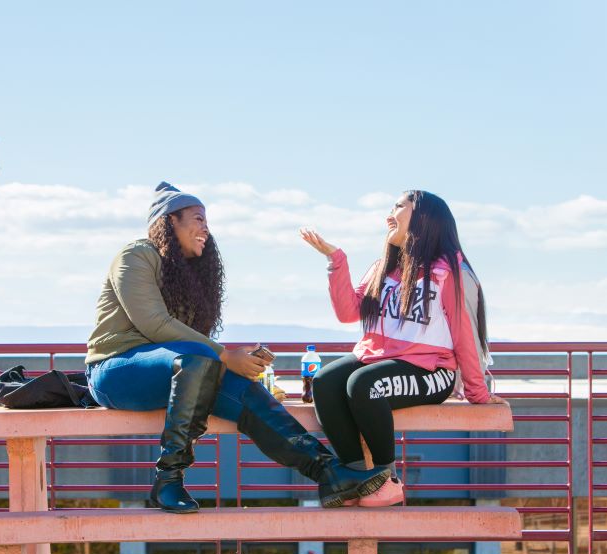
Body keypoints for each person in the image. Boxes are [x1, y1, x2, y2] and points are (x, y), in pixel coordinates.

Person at [84, 182, 389, 513]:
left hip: (179, 371)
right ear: (171, 221)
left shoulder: (186, 273)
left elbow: (191, 351)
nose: (205, 229)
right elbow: (154, 324)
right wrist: (226, 356)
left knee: (245, 391)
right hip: (114, 371)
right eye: (197, 218)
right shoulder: (136, 255)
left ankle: (328, 472)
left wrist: (238, 361)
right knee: (203, 359)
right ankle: (168, 479)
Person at [300, 190, 506, 507]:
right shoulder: (383, 268)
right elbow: (347, 312)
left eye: (399, 206)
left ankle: (386, 481)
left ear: (424, 217)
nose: (389, 214)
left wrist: (478, 392)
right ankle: (356, 480)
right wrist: (336, 260)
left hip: (432, 370)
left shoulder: (448, 271)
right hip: (377, 360)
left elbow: (465, 335)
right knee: (326, 382)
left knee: (365, 385)